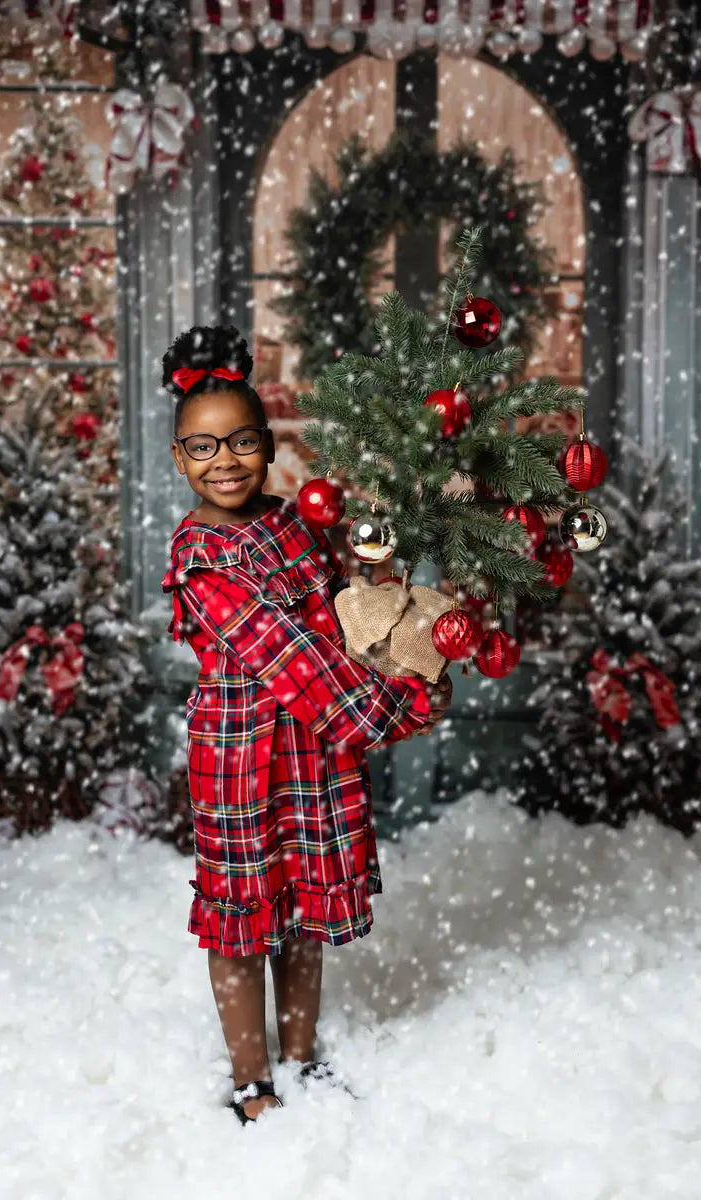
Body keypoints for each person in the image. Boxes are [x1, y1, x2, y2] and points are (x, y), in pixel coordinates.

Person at [160, 324, 453, 1125]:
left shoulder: (294, 522)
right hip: (244, 750)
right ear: (180, 460)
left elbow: (347, 617)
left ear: (267, 443)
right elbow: (297, 659)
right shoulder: (201, 558)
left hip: (316, 754)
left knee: (304, 910)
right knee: (241, 916)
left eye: (243, 441)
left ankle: (301, 1053)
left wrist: (406, 623)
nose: (226, 462)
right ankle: (252, 1078)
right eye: (204, 447)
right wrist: (396, 708)